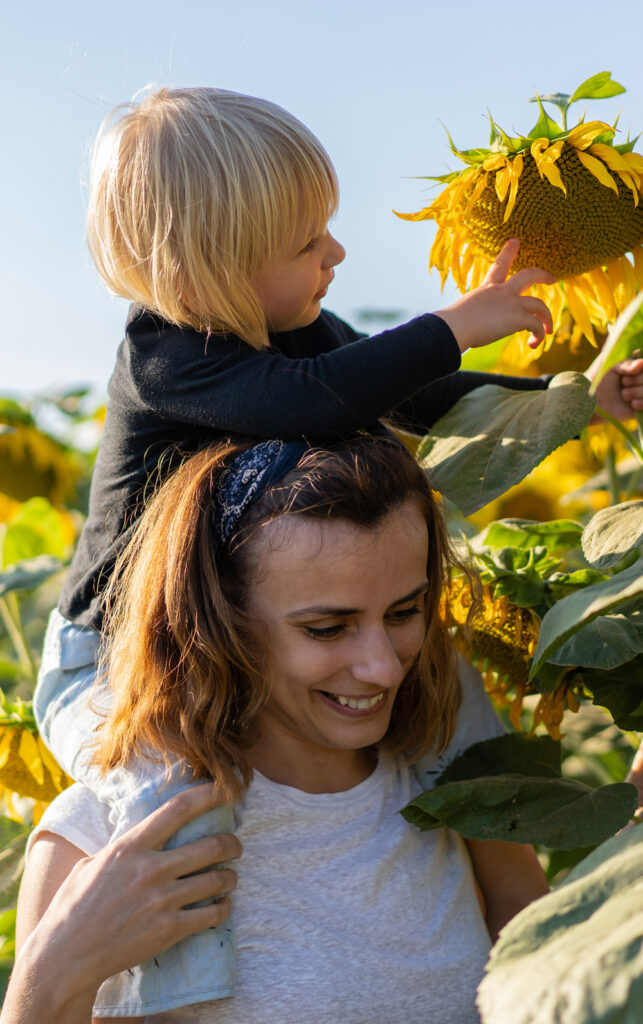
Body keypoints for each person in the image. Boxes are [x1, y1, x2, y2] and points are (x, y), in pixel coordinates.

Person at [29, 85, 642, 1011]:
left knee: (452, 700)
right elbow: (318, 401)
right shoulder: (170, 357)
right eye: (307, 243)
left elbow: (404, 396)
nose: (337, 255)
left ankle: (494, 802)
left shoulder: (291, 332)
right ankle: (184, 987)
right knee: (166, 789)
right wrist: (455, 321)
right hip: (114, 657)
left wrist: (570, 396)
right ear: (210, 275)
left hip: (236, 624)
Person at [9, 435, 549, 1023]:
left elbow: (555, 984)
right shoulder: (104, 838)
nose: (385, 667)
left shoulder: (451, 786)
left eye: (404, 613)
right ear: (220, 623)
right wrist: (56, 969)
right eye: (326, 628)